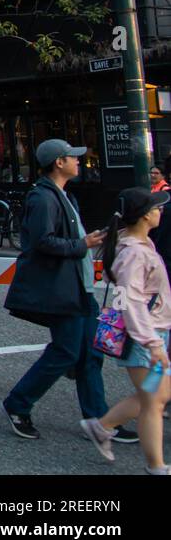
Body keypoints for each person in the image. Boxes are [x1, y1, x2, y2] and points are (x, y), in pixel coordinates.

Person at [1, 139, 133, 444]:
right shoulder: (43, 198)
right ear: (58, 162)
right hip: (62, 291)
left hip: (77, 287)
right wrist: (82, 244)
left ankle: (99, 421)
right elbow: (41, 242)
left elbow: (61, 239)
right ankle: (17, 404)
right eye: (73, 158)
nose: (79, 162)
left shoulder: (63, 196)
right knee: (67, 352)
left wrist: (90, 239)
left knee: (89, 355)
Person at [80, 188, 171, 472]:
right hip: (144, 336)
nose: (161, 211)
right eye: (157, 207)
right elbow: (130, 299)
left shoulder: (137, 245)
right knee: (153, 401)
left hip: (151, 332)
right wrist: (153, 343)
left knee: (155, 396)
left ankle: (102, 425)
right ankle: (156, 466)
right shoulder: (133, 252)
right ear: (145, 215)